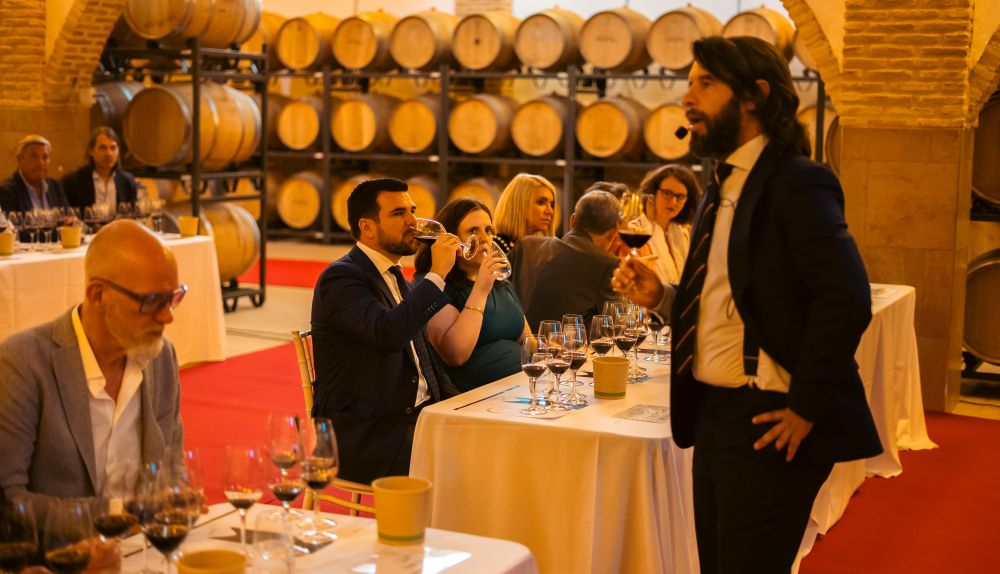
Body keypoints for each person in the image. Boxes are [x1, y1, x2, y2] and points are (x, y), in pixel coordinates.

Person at [612, 36, 881, 573]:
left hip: (767, 418)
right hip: (713, 414)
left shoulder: (797, 181)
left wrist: (806, 406)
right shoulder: (722, 184)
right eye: (689, 83)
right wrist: (662, 297)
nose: (687, 98)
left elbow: (846, 299)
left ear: (754, 96)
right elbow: (732, 301)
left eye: (706, 83)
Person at [0, 220, 185, 522]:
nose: (167, 317)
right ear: (98, 295)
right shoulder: (23, 363)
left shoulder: (161, 357)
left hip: (145, 544)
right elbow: (8, 501)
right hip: (62, 550)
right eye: (152, 301)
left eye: (174, 297)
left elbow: (171, 470)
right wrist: (115, 513)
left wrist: (176, 497)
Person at [311, 178, 461, 484]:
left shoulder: (395, 277)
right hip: (369, 435)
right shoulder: (341, 278)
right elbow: (388, 334)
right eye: (398, 213)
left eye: (412, 210)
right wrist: (437, 273)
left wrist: (458, 407)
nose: (412, 221)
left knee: (495, 440)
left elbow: (424, 358)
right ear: (367, 227)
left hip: (415, 419)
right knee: (470, 465)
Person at [414, 198, 530, 391]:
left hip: (523, 386)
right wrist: (481, 290)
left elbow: (527, 340)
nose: (484, 238)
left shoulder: (500, 282)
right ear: (451, 240)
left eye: (489, 230)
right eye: (473, 231)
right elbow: (456, 354)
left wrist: (555, 349)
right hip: (476, 397)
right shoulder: (436, 285)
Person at [508, 189, 621, 328]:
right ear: (614, 232)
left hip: (514, 339)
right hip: (568, 341)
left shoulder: (525, 246)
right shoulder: (608, 263)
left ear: (572, 220)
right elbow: (612, 326)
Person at [637, 164, 702, 284]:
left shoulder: (686, 233)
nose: (673, 202)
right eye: (667, 193)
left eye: (680, 196)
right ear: (652, 192)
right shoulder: (635, 231)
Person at [61, 127, 139, 212]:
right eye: (103, 148)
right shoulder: (73, 182)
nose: (109, 153)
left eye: (113, 148)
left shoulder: (127, 182)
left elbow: (133, 214)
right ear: (91, 151)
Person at [0, 134, 70, 213]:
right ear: (20, 159)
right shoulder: (6, 191)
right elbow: (11, 220)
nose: (40, 163)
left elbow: (68, 215)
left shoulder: (55, 186)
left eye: (45, 157)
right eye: (34, 157)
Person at [492, 173, 557, 254]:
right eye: (541, 202)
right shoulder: (495, 248)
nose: (550, 211)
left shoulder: (544, 249)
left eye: (551, 205)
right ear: (518, 204)